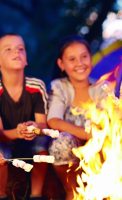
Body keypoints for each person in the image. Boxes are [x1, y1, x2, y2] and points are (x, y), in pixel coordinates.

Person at [47, 35, 106, 200]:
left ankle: (103, 189)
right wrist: (85, 134)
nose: (80, 63)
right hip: (71, 151)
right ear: (61, 64)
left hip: (98, 147)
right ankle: (72, 191)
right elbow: (54, 121)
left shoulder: (102, 87)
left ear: (91, 58)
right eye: (72, 59)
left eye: (84, 57)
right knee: (62, 143)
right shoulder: (59, 87)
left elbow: (110, 122)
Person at [0, 34, 49, 200]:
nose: (16, 51)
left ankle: (36, 195)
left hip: (30, 140)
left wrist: (34, 128)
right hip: (5, 139)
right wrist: (19, 132)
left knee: (42, 145)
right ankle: (2, 195)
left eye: (21, 48)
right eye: (8, 49)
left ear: (26, 59)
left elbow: (43, 125)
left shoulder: (37, 86)